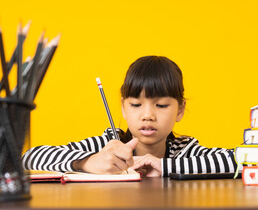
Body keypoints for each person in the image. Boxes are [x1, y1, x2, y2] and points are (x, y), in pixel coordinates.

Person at [22, 56, 239, 177]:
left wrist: (165, 167)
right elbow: (29, 157)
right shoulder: (109, 144)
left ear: (180, 110)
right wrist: (88, 163)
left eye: (161, 105)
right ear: (124, 109)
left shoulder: (184, 150)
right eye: (136, 104)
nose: (147, 115)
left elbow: (243, 159)